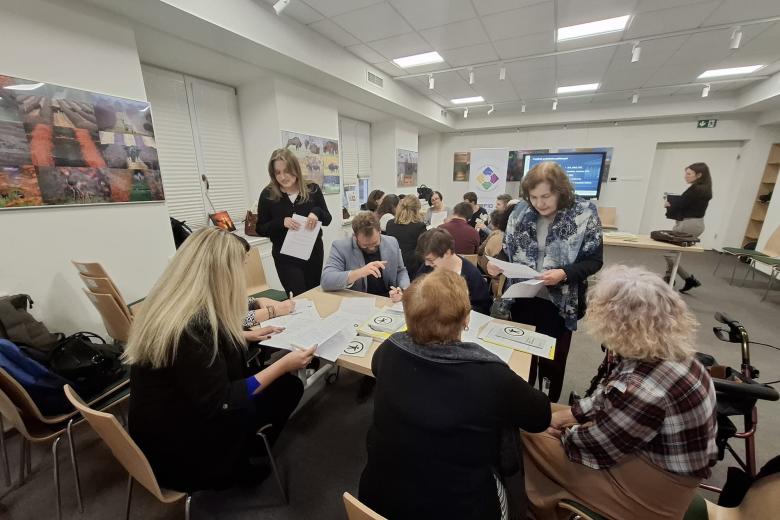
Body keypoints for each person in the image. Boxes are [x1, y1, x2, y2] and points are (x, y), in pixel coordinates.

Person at [125, 228, 316, 492]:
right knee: (288, 385)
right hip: (182, 453)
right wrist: (284, 364)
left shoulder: (170, 306)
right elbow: (225, 400)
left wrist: (243, 335)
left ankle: (242, 449)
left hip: (158, 430)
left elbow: (210, 337)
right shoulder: (192, 329)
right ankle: (236, 464)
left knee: (267, 378)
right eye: (239, 267)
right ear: (221, 273)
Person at [523, 264, 718, 520]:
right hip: (657, 462)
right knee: (538, 410)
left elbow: (590, 446)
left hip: (655, 492)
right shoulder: (672, 355)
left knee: (520, 430)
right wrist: (562, 417)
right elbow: (606, 398)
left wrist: (555, 428)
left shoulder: (643, 389)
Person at [359, 269, 551, 520]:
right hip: (462, 508)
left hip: (377, 500)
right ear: (466, 319)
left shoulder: (388, 350)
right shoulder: (491, 375)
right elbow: (541, 417)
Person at [487, 162, 602, 403]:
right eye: (534, 197)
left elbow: (594, 260)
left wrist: (565, 273)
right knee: (522, 355)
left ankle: (548, 404)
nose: (540, 203)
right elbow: (507, 250)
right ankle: (524, 404)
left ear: (561, 190)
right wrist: (496, 263)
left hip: (559, 302)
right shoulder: (519, 212)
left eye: (546, 196)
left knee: (552, 360)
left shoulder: (584, 212)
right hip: (522, 297)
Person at [256, 148, 332, 296]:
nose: (283, 177)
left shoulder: (312, 189)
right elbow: (260, 228)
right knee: (299, 299)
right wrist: (281, 222)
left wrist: (316, 213)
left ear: (295, 169)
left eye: (287, 171)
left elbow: (327, 219)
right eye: (277, 172)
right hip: (286, 258)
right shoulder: (268, 195)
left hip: (313, 255)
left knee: (315, 295)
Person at [320, 211, 409, 301]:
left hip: (387, 299)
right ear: (355, 236)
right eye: (365, 245)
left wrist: (402, 289)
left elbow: (401, 271)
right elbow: (326, 280)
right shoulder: (341, 247)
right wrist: (360, 272)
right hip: (358, 301)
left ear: (380, 232)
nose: (371, 248)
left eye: (375, 243)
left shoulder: (392, 242)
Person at [416, 228, 492, 314]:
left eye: (431, 260)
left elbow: (483, 308)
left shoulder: (471, 275)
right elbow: (416, 290)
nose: (426, 263)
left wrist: (457, 311)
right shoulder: (427, 268)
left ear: (447, 253)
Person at [664, 162, 713, 292]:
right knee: (672, 254)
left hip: (689, 224)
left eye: (689, 174)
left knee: (669, 254)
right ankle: (669, 278)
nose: (685, 176)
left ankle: (686, 279)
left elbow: (680, 204)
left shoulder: (696, 189)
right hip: (694, 223)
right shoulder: (703, 189)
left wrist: (669, 205)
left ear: (699, 175)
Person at [385, 194, 427, 277]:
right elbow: (424, 249)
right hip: (412, 267)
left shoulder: (390, 223)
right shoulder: (419, 226)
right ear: (417, 210)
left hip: (394, 264)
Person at [478, 206, 515, 295]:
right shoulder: (513, 237)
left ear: (494, 223)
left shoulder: (495, 236)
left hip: (493, 275)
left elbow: (479, 251)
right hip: (508, 280)